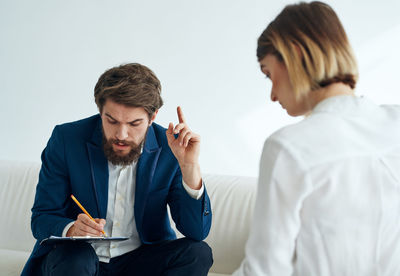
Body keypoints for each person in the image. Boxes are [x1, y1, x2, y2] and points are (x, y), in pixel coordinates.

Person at [233, 1, 400, 275]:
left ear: (295, 54)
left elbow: (264, 269)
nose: (272, 95)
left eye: (268, 74)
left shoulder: (287, 147)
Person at [21, 63, 213, 276]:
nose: (121, 134)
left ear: (153, 117)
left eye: (134, 124)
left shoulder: (170, 148)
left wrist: (189, 166)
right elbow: (42, 218)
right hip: (78, 260)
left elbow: (197, 231)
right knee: (77, 260)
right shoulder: (67, 140)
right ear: (100, 111)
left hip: (141, 261)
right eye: (111, 121)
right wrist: (71, 229)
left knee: (198, 252)